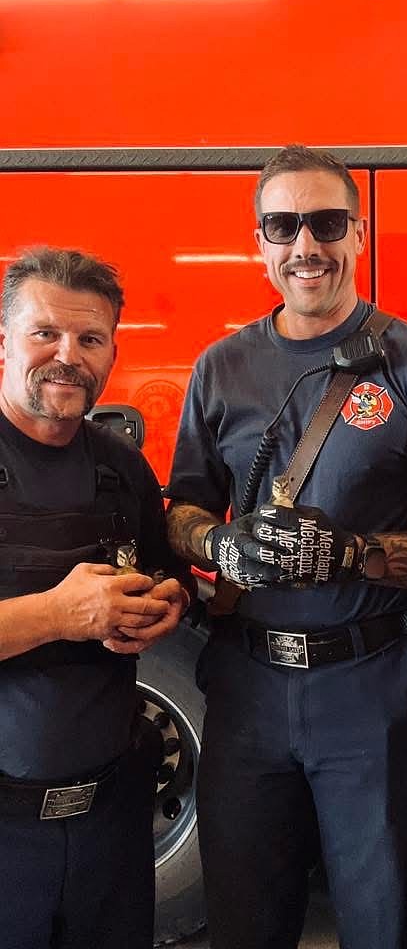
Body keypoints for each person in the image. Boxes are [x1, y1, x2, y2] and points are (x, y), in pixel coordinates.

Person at [165, 144, 407, 949]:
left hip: (369, 687)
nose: (306, 244)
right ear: (260, 243)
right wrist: (221, 542)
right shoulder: (221, 367)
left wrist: (350, 555)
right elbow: (182, 508)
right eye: (283, 226)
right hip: (245, 688)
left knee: (384, 923)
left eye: (327, 223)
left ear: (359, 233)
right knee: (245, 923)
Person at [0, 247, 191, 949]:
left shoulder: (121, 467)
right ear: (3, 340)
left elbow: (169, 578)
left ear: (112, 351)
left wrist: (164, 606)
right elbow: (68, 612)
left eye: (89, 338)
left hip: (110, 829)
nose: (67, 356)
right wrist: (58, 614)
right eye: (44, 333)